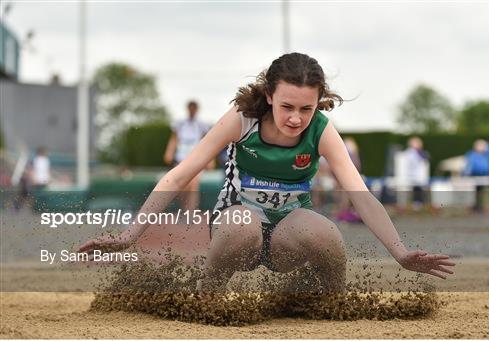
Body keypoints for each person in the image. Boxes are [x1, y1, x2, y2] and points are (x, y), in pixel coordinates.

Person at [79, 53, 454, 293]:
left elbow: (360, 194)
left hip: (287, 234)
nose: (295, 118)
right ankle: (206, 294)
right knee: (243, 225)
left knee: (325, 233)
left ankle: (330, 301)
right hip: (236, 225)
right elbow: (178, 176)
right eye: (287, 106)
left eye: (306, 109)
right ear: (270, 95)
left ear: (318, 101)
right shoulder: (242, 121)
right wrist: (130, 235)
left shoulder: (321, 129)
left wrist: (399, 252)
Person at [163, 100, 210, 210]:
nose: (192, 111)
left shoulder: (201, 124)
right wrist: (169, 153)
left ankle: (190, 212)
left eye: (194, 108)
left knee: (194, 182)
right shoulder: (180, 123)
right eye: (191, 108)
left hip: (196, 158)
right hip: (181, 157)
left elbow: (206, 142)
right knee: (180, 183)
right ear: (188, 109)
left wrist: (210, 160)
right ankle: (184, 208)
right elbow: (174, 139)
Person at [463, 139, 489, 213]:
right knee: (477, 192)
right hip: (476, 175)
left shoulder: (487, 153)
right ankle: (478, 207)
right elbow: (467, 165)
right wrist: (465, 174)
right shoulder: (471, 154)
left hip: (488, 175)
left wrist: (485, 144)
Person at [403, 137, 430, 210]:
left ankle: (420, 205)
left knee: (420, 191)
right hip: (413, 177)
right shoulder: (410, 153)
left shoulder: (420, 153)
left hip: (419, 177)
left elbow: (426, 158)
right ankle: (416, 206)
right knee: (416, 191)